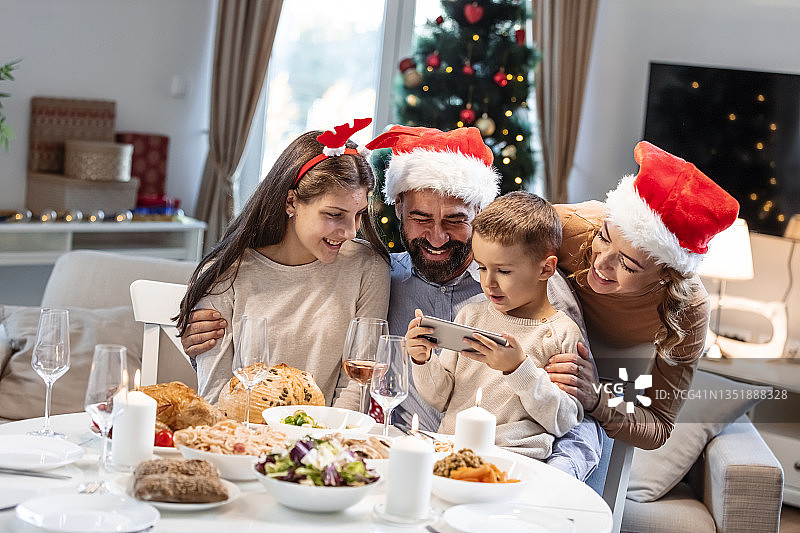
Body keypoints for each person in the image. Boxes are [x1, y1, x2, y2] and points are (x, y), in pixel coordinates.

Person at [184, 125, 603, 481]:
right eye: (422, 218)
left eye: (456, 220)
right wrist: (198, 341)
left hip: (501, 473)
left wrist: (550, 481)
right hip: (387, 464)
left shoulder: (536, 292)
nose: (437, 238)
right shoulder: (387, 274)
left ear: (481, 212)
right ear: (397, 208)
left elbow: (578, 421)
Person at [176, 119, 391, 409]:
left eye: (358, 215)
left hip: (322, 444)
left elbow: (355, 392)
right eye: (334, 214)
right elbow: (217, 399)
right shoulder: (225, 274)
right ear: (291, 202)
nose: (352, 231)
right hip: (243, 440)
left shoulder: (368, 269)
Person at [543, 141, 740, 449]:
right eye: (604, 238)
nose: (602, 262)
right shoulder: (569, 225)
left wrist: (596, 398)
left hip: (596, 397)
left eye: (628, 265)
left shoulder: (688, 309)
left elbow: (659, 425)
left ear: (666, 276)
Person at [405, 192, 584, 459]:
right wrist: (423, 360)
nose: (489, 283)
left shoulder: (561, 333)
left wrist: (518, 368)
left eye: (504, 271)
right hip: (452, 452)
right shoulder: (471, 315)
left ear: (546, 269)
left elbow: (564, 420)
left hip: (515, 459)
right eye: (482, 268)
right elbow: (440, 398)